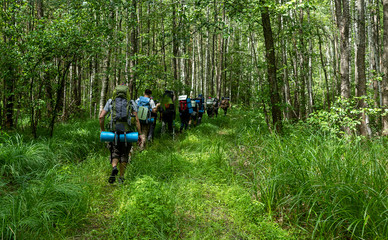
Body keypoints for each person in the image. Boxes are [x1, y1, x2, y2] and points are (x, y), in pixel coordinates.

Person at [99, 84, 141, 184]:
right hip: (127, 133)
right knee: (124, 154)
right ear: (127, 93)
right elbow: (136, 120)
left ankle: (114, 167)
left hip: (113, 132)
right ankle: (121, 177)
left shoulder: (110, 102)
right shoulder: (131, 102)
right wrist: (139, 134)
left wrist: (102, 129)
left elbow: (101, 117)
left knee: (115, 152)